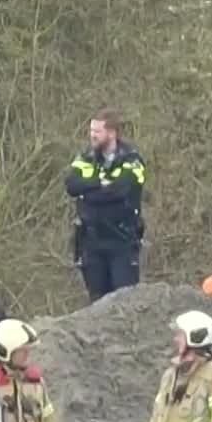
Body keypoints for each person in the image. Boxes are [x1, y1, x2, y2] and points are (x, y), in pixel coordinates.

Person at [63, 110, 146, 302]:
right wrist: (100, 183)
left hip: (121, 241)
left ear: (111, 133)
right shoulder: (86, 157)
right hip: (91, 241)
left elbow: (121, 189)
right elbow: (72, 185)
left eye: (97, 131)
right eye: (91, 130)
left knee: (125, 301)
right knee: (97, 303)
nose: (92, 135)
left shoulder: (131, 159)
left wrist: (89, 192)